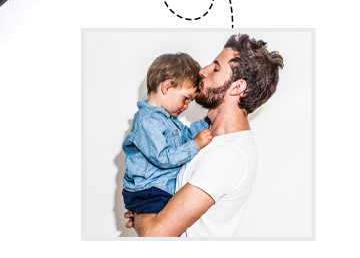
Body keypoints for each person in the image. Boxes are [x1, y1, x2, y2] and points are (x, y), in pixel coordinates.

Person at [126, 34, 284, 238]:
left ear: (237, 87)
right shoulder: (209, 137)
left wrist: (141, 215)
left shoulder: (227, 155)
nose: (202, 71)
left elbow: (154, 234)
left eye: (216, 68)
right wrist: (147, 209)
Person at [121, 53, 213, 217]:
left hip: (159, 188)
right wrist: (195, 145)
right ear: (167, 86)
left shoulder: (168, 120)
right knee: (179, 218)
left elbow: (186, 136)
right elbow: (164, 157)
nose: (186, 106)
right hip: (149, 191)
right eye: (186, 98)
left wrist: (209, 120)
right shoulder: (147, 121)